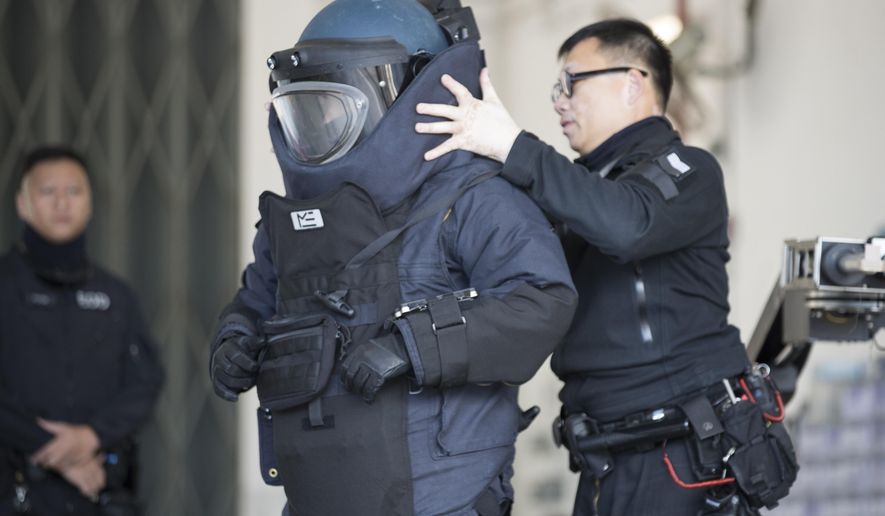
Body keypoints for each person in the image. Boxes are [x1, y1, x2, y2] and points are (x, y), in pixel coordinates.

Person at [415, 17, 797, 516]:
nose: (559, 100)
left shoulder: (689, 171)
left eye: (571, 82)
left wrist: (512, 145)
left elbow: (626, 225)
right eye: (557, 88)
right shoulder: (574, 192)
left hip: (682, 458)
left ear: (633, 83)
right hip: (604, 459)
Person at [207, 1, 577, 515]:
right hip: (315, 494)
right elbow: (257, 299)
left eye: (334, 107)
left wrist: (414, 345)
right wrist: (234, 339)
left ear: (405, 98)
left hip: (441, 496)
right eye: (306, 110)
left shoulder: (470, 197)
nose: (320, 125)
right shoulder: (296, 220)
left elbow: (542, 298)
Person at [0, 146, 164, 515]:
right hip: (16, 490)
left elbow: (146, 381)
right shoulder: (4, 286)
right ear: (22, 204)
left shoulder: (114, 295)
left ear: (89, 204)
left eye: (74, 191)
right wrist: (57, 452)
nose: (62, 203)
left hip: (99, 492)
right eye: (47, 192)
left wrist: (90, 436)